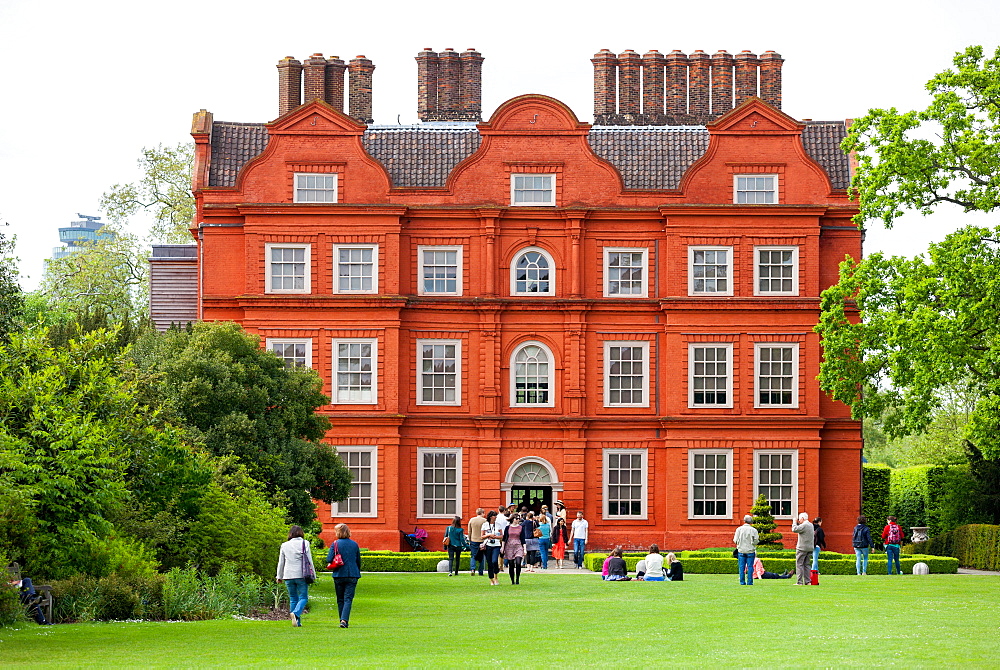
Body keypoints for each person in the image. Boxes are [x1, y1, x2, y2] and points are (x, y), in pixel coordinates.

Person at [276, 524, 313, 627]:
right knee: (304, 597)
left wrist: (279, 576)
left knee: (293, 598)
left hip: (288, 575)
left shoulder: (284, 545)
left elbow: (281, 562)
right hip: (301, 574)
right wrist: (312, 573)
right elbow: (309, 560)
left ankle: (297, 622)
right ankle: (296, 614)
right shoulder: (305, 543)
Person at [327, 523, 362, 628]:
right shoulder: (354, 544)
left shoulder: (335, 544)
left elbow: (329, 559)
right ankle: (344, 620)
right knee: (348, 599)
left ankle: (342, 620)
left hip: (339, 574)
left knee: (340, 599)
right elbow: (358, 561)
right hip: (352, 574)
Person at [733, 514, 760, 586]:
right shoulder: (754, 530)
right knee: (750, 567)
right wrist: (752, 544)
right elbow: (756, 540)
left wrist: (739, 544)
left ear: (744, 521)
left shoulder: (739, 529)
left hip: (741, 550)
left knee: (741, 567)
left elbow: (735, 540)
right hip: (750, 550)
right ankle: (750, 582)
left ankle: (742, 582)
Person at [791, 512, 815, 585]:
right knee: (807, 565)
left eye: (799, 519)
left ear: (802, 518)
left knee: (799, 564)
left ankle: (799, 581)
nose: (799, 521)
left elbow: (794, 529)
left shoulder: (804, 525)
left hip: (802, 548)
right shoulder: (811, 525)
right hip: (810, 548)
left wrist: (794, 522)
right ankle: (808, 581)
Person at [502, 514, 527, 584]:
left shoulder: (521, 528)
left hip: (518, 545)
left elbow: (523, 539)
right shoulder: (507, 527)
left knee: (518, 562)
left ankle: (517, 579)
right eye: (517, 518)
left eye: (519, 519)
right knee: (511, 564)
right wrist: (502, 547)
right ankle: (512, 580)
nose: (518, 520)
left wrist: (524, 549)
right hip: (509, 546)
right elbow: (504, 539)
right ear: (513, 519)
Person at [481, 510, 503, 586]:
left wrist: (495, 537)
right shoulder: (485, 525)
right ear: (491, 517)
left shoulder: (498, 525)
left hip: (496, 545)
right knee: (489, 563)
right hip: (488, 545)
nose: (496, 517)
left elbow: (501, 536)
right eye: (494, 516)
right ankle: (491, 579)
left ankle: (496, 577)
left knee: (494, 561)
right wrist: (488, 535)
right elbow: (482, 536)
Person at [467, 508, 487, 576]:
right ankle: (480, 571)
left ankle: (472, 569)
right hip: (482, 540)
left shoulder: (472, 520)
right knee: (481, 556)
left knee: (473, 555)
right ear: (482, 513)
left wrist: (470, 539)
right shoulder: (485, 521)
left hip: (473, 539)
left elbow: (469, 531)